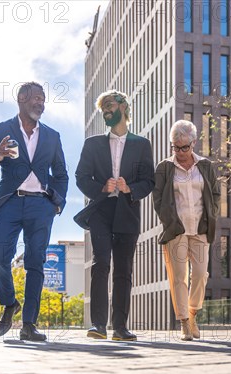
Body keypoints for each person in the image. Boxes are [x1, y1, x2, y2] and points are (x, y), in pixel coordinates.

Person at [0, 82, 68, 341]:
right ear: (21, 99)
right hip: (9, 202)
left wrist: (56, 203)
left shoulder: (52, 136)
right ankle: (9, 303)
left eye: (43, 99)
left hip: (41, 205)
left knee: (35, 263)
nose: (41, 103)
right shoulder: (1, 130)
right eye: (36, 98)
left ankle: (29, 324)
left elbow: (61, 174)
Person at [75, 90, 155, 341]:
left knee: (124, 270)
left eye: (109, 106)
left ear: (123, 106)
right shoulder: (92, 143)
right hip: (101, 210)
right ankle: (98, 325)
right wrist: (101, 187)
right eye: (103, 109)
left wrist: (130, 188)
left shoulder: (142, 144)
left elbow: (149, 180)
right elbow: (81, 177)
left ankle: (120, 327)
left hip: (128, 211)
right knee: (101, 264)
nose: (106, 111)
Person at [152, 120, 220, 341]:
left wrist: (211, 215)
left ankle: (192, 314)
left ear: (194, 143)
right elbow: (158, 199)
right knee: (179, 276)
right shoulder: (164, 167)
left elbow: (215, 194)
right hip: (176, 230)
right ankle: (183, 323)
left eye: (184, 147)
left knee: (200, 275)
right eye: (175, 147)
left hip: (200, 229)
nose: (180, 152)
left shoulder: (206, 166)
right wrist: (170, 222)